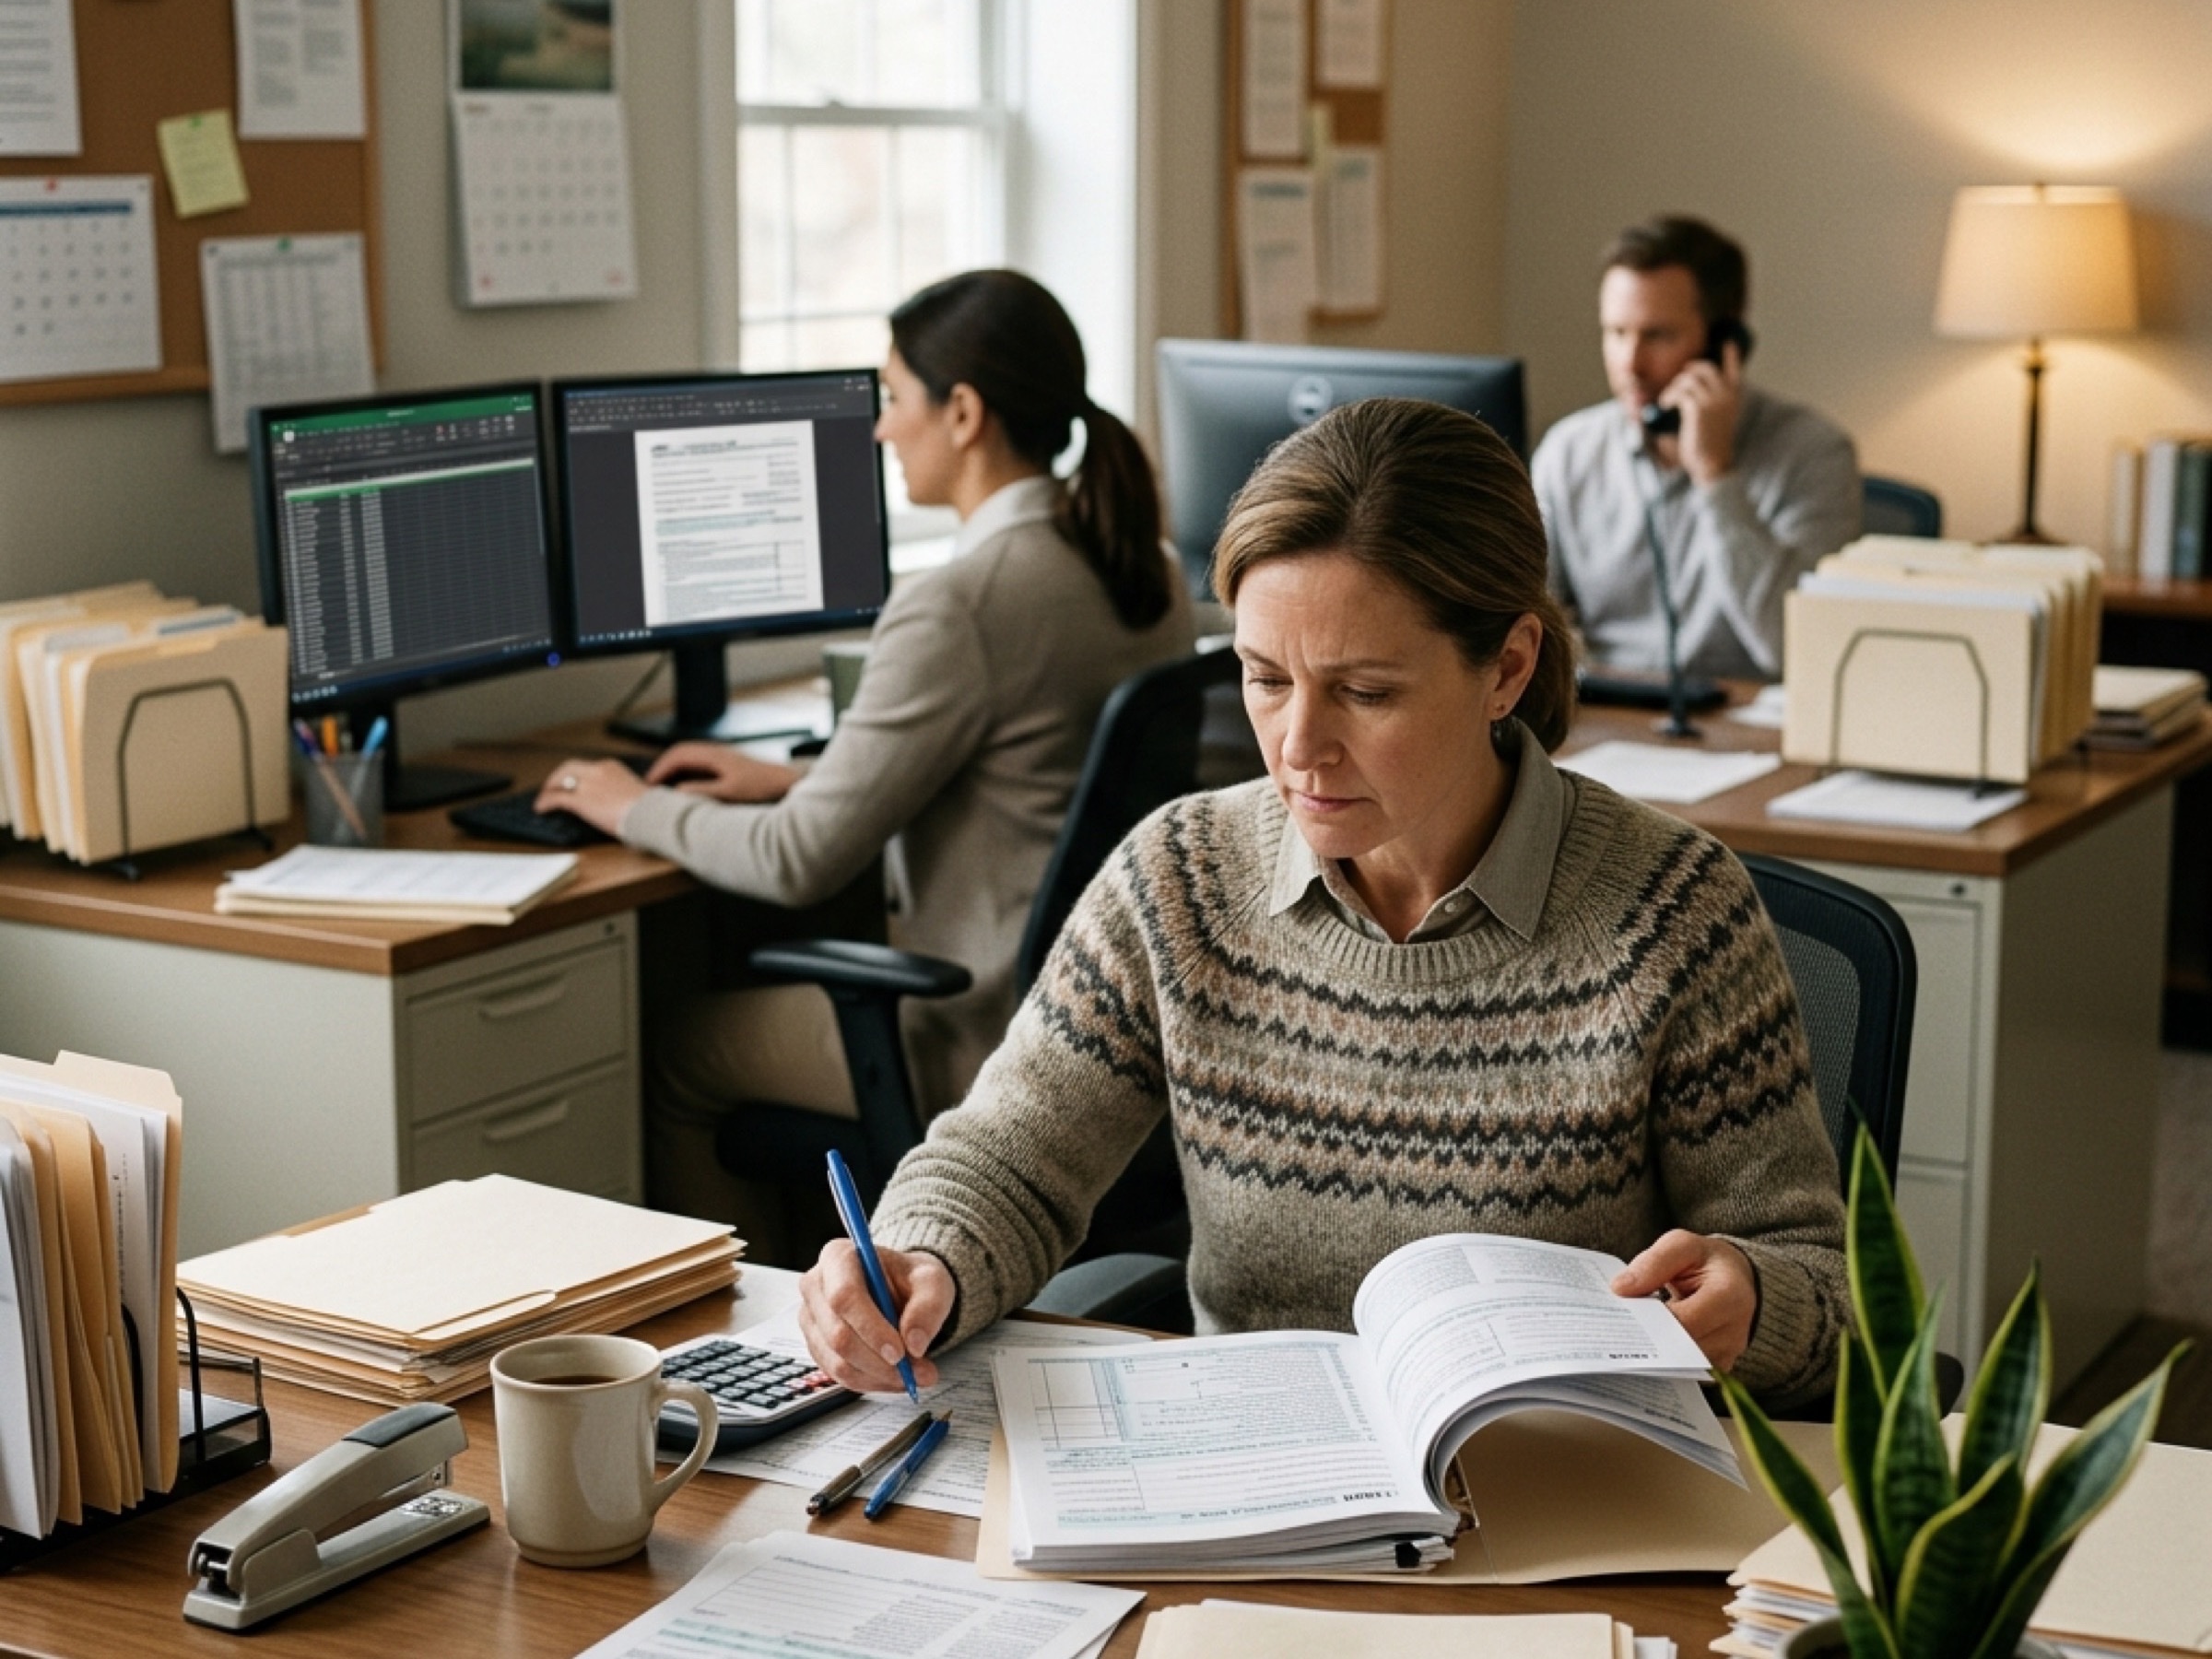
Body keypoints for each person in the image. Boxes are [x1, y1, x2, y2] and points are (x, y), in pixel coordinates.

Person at [796, 397, 1851, 1413]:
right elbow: (1007, 1159)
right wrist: (921, 1255)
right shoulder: (1181, 876)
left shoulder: (1676, 912)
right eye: (1264, 679)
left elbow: (1836, 1298)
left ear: (1508, 669)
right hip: (1256, 1492)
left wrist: (1753, 1301)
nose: (1298, 747)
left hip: (1553, 1507)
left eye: (1365, 691)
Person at [537, 270, 1194, 1247]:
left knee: (679, 1054)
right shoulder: (1141, 561)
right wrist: (803, 777)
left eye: (894, 398)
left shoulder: (964, 599)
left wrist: (625, 802)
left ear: (963, 412)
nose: (881, 430)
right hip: (1109, 1018)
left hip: (977, 1036)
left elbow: (796, 860)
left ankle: (761, 1345)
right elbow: (1030, 769)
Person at [1533, 215, 1860, 682]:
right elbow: (1524, 627)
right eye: (1617, 333)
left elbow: (1797, 649)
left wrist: (1715, 475)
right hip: (1606, 716)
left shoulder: (1814, 454)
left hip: (1751, 725)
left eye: (1658, 336)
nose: (1631, 365)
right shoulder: (1569, 453)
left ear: (1726, 343)